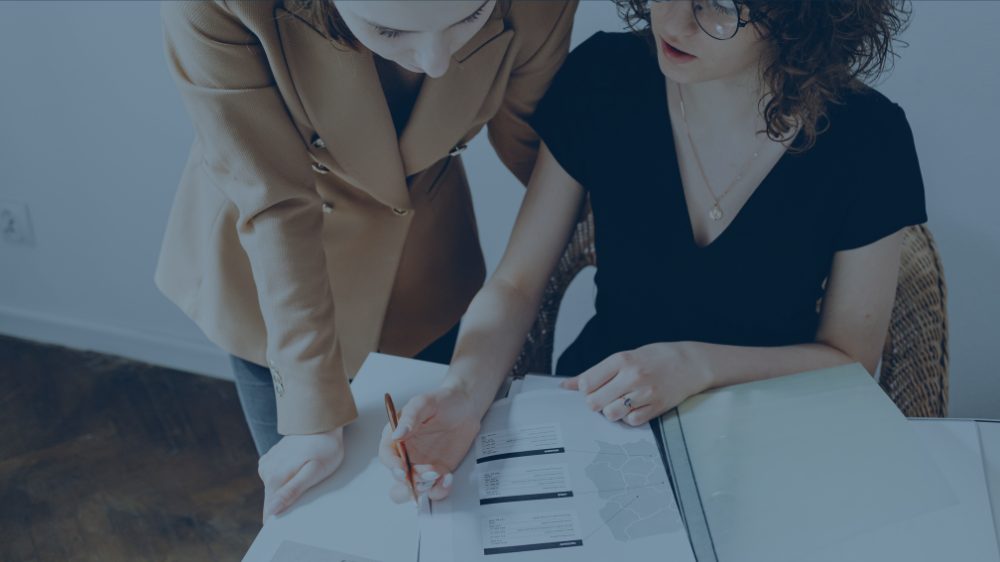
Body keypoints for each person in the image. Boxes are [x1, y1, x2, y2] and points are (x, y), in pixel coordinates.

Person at [379, 0, 923, 503]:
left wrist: (696, 364)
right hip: (597, 416)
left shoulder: (870, 137)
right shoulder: (604, 77)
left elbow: (849, 361)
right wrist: (462, 394)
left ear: (801, 16)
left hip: (769, 433)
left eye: (718, 7)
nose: (673, 22)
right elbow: (517, 284)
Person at [156, 0, 577, 522]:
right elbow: (273, 199)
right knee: (320, 515)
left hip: (425, 261)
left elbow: (541, 153)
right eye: (391, 30)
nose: (436, 60)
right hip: (274, 278)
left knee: (430, 503)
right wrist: (312, 414)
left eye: (469, 18)